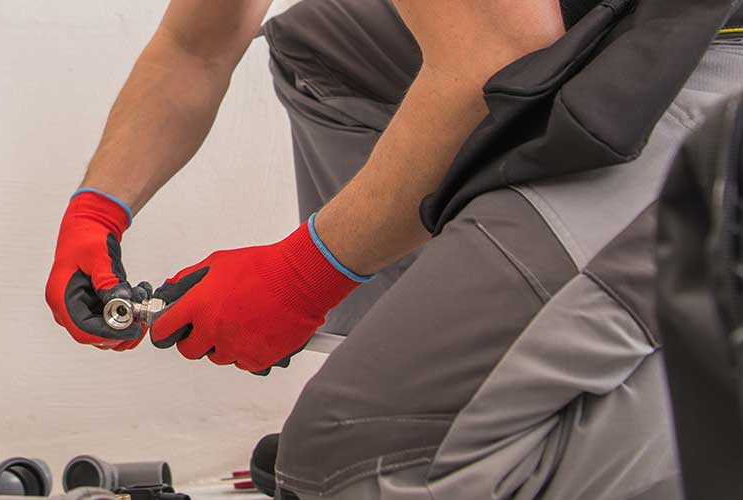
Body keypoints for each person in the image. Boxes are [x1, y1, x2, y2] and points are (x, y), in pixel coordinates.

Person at [44, 0, 743, 498]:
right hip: (606, 36)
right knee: (323, 48)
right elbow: (198, 43)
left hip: (710, 64)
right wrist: (98, 208)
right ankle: (442, 370)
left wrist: (299, 276)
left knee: (346, 464)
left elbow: (500, 56)